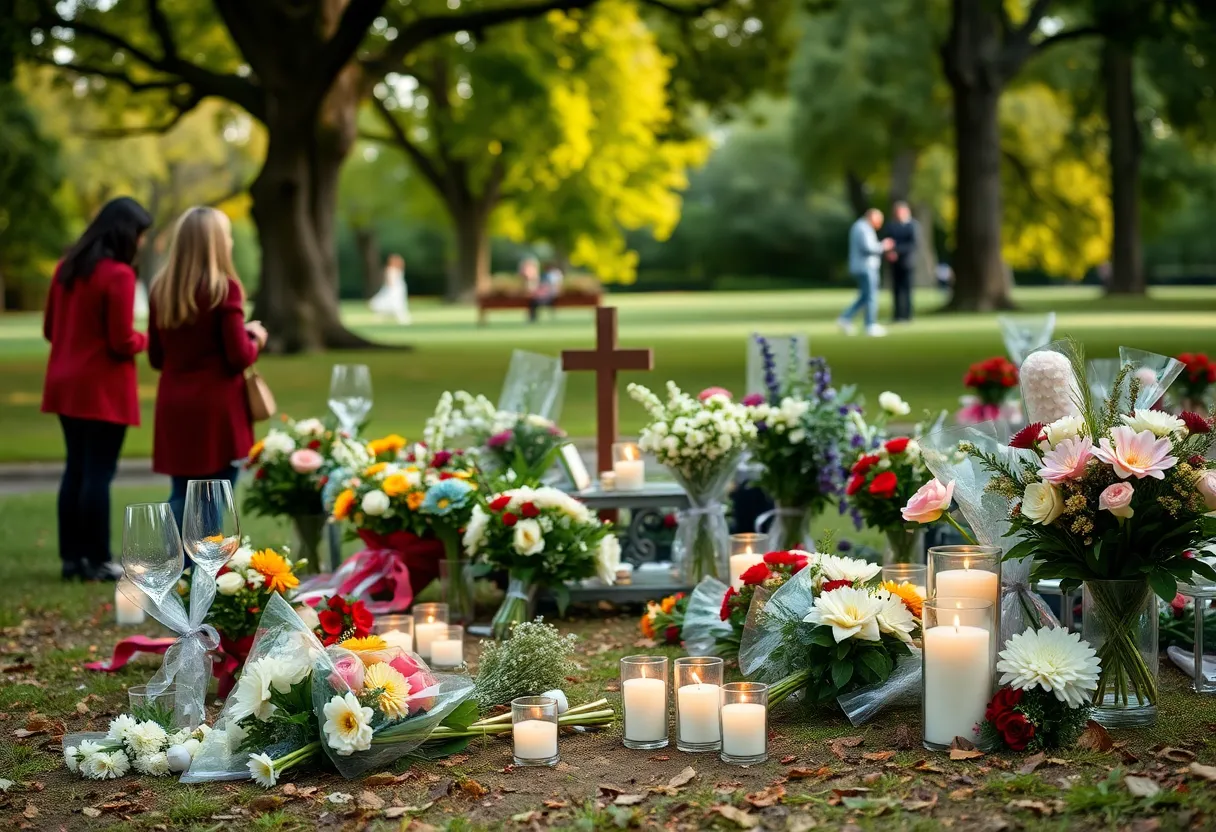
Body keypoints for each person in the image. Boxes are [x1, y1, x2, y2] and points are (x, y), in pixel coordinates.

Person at [42, 197, 152, 581]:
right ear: (124, 233)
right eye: (139, 235)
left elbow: (49, 330)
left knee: (75, 468)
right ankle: (98, 558)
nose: (141, 243)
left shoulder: (66, 270)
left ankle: (72, 559)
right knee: (98, 474)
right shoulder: (119, 276)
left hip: (64, 383)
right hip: (102, 387)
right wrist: (146, 339)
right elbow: (121, 340)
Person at [148, 207, 267, 528]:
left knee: (181, 492)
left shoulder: (161, 290)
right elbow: (238, 357)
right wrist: (254, 338)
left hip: (175, 405)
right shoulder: (224, 289)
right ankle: (179, 567)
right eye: (226, 235)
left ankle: (164, 561)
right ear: (217, 243)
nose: (229, 241)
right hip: (217, 411)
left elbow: (156, 358)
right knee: (214, 500)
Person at [838, 208, 894, 337]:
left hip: (862, 266)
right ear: (872, 217)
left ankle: (845, 318)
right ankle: (870, 325)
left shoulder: (861, 227)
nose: (879, 224)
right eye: (879, 220)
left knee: (864, 296)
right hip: (865, 267)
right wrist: (884, 246)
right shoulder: (863, 228)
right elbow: (868, 248)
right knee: (871, 296)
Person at [884, 201, 918, 324]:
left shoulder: (912, 226)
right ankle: (897, 315)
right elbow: (887, 240)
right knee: (896, 290)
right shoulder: (892, 226)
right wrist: (890, 252)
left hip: (907, 262)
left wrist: (897, 251)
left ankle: (907, 315)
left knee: (907, 289)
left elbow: (913, 244)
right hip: (894, 263)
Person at [369, 253, 410, 324]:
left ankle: (396, 316)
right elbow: (390, 281)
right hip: (394, 288)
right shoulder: (391, 270)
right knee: (394, 302)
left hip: (398, 288)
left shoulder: (397, 270)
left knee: (396, 302)